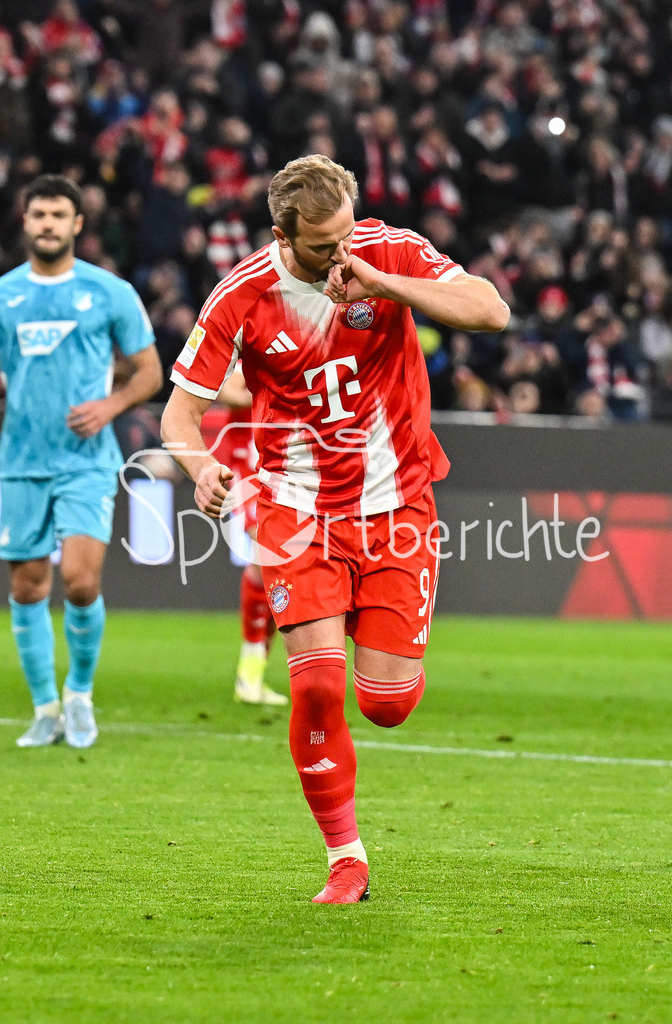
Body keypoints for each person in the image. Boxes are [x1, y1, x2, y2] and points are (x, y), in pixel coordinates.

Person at [161, 154, 509, 903]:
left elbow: (491, 309)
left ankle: (372, 637)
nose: (340, 255)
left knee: (387, 704)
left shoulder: (384, 250)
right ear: (282, 234)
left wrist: (386, 284)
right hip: (297, 509)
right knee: (316, 689)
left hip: (398, 504)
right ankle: (345, 858)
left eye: (346, 236)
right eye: (323, 246)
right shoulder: (241, 295)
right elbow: (179, 415)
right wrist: (200, 468)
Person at [0, 174, 162, 748]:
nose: (47, 225)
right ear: (25, 220)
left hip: (86, 460)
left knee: (81, 583)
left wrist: (111, 405)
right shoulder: (1, 296)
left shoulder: (108, 292)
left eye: (58, 216)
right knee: (29, 585)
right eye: (38, 214)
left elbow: (150, 371)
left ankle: (80, 696)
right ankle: (44, 709)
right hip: (20, 461)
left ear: (77, 224)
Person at [211, 367, 287, 707]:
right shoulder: (255, 333)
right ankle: (250, 672)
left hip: (288, 464)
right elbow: (228, 391)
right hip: (251, 464)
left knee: (277, 570)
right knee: (266, 559)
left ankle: (254, 670)